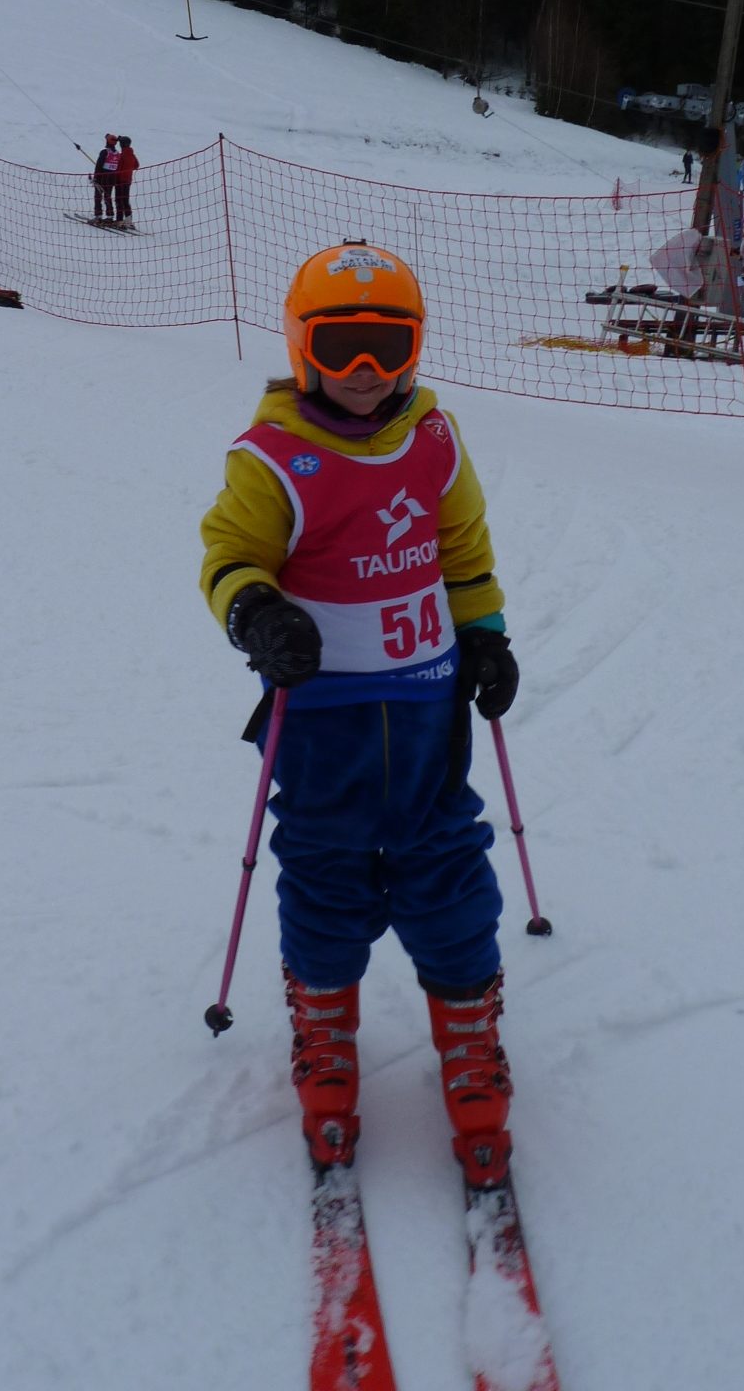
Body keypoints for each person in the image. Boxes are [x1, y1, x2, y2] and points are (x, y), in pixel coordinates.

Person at [200, 240, 521, 1189]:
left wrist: (486, 637)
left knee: (448, 869)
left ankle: (468, 1036)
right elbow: (229, 556)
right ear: (303, 347)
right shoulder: (273, 460)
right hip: (326, 718)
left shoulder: (434, 440)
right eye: (341, 347)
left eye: (390, 345)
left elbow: (463, 551)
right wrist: (258, 614)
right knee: (326, 873)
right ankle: (325, 1032)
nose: (367, 370)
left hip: (427, 711)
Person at [112, 134, 139, 225]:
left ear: (122, 145)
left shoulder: (122, 155)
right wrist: (128, 169)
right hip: (128, 181)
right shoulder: (132, 155)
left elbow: (118, 169)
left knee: (119, 200)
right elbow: (136, 165)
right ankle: (128, 220)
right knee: (125, 200)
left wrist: (114, 177)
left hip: (120, 181)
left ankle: (119, 220)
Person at [91, 133, 120, 220]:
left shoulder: (104, 152)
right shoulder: (117, 154)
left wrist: (95, 177)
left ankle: (98, 215)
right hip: (112, 178)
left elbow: (98, 166)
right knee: (108, 196)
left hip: (102, 177)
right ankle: (110, 215)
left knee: (98, 196)